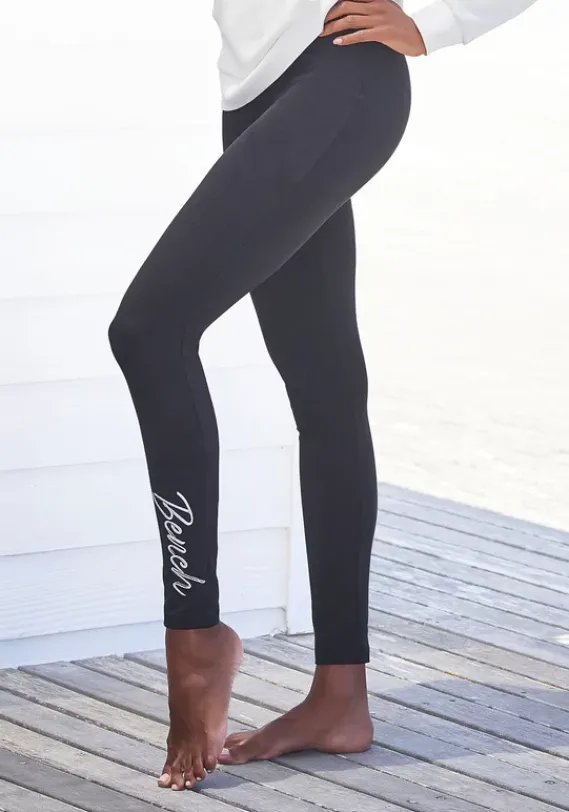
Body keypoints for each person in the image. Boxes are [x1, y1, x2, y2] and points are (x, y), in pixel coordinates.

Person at [108, 0, 539, 792]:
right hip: (255, 90)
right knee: (325, 387)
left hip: (339, 75)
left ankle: (194, 638)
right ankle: (340, 699)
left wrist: (442, 18)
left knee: (149, 332)